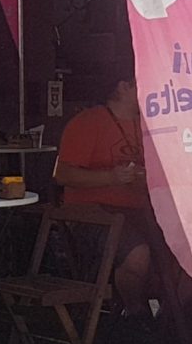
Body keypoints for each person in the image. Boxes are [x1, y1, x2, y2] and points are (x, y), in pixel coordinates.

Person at [55, 70, 152, 317]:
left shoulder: (150, 125)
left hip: (142, 210)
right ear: (123, 87)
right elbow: (62, 175)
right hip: (92, 215)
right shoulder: (88, 122)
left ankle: (171, 319)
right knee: (137, 254)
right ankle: (134, 312)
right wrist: (111, 177)